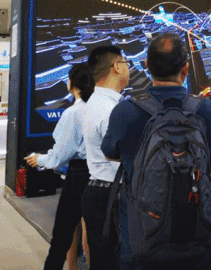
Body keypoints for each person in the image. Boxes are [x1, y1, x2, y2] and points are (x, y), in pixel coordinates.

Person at [102, 32, 211, 270]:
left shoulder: (125, 111)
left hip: (142, 237)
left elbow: (109, 152)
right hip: (195, 236)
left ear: (147, 65)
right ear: (185, 69)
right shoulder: (205, 110)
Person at [25, 63, 94, 270]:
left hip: (78, 176)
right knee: (92, 233)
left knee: (62, 234)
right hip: (98, 175)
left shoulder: (73, 113)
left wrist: (41, 159)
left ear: (73, 84)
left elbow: (62, 153)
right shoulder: (99, 109)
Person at [82, 45, 129, 270]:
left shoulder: (98, 102)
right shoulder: (110, 110)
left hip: (102, 192)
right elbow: (119, 153)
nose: (129, 68)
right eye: (126, 63)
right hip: (111, 196)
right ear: (116, 67)